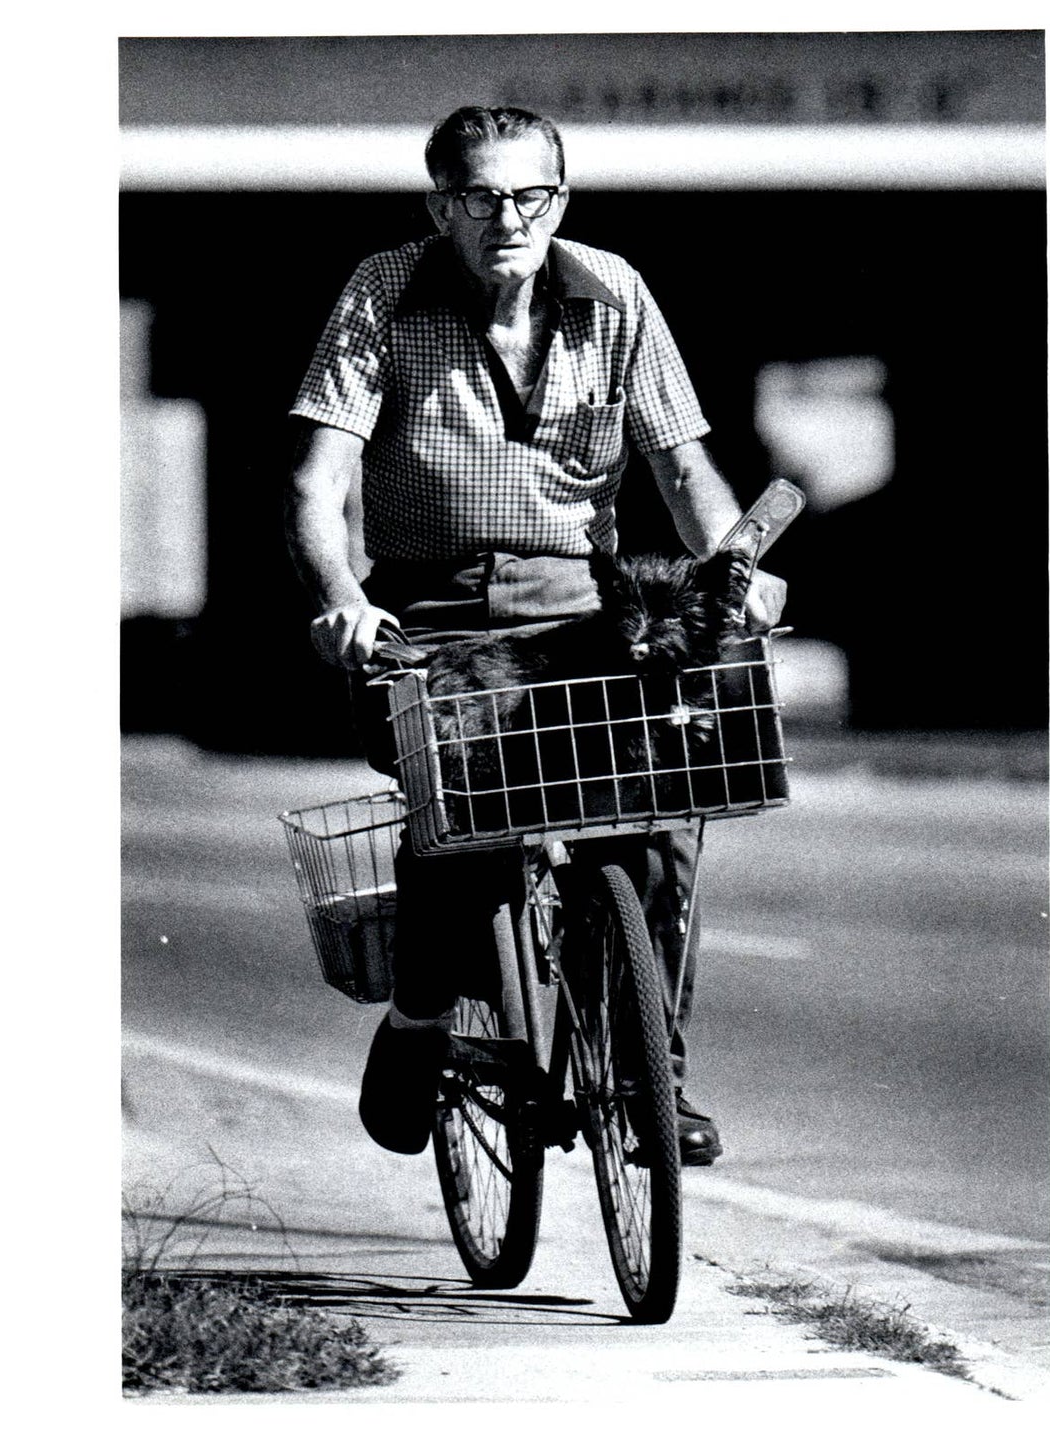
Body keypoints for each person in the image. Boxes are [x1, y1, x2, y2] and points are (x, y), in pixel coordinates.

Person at [285, 105, 785, 1167]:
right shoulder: (384, 292)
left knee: (659, 816)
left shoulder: (616, 293)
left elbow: (681, 467)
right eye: (478, 195)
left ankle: (651, 1074)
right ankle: (420, 1018)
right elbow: (316, 480)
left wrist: (733, 567)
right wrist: (339, 591)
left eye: (530, 194)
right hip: (435, 607)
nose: (506, 216)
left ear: (560, 198)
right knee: (461, 827)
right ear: (439, 206)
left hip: (583, 605)